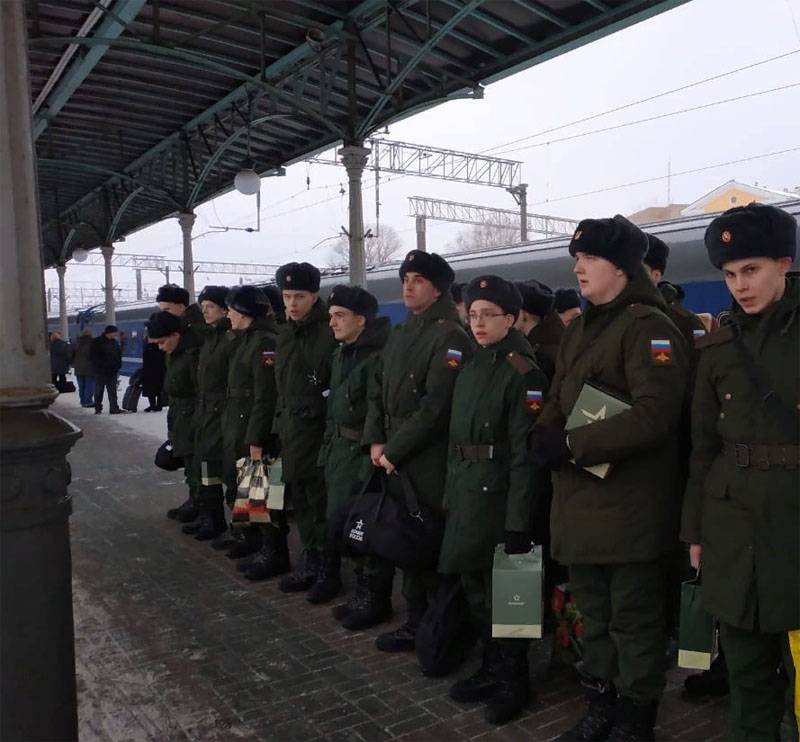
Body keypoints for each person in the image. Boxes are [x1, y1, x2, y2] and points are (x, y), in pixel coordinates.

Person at [530, 215, 689, 741]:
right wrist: (545, 431)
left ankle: (635, 716)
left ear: (621, 267)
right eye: (577, 258)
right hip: (580, 505)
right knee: (593, 619)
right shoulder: (580, 327)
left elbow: (654, 415)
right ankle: (600, 704)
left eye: (589, 258)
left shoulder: (649, 326)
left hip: (630, 510)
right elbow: (558, 397)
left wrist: (572, 444)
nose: (577, 267)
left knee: (634, 622)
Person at [680, 202, 798, 742]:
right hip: (732, 526)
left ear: (784, 262)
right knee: (747, 673)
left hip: (793, 521)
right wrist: (695, 531)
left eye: (750, 270)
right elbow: (702, 446)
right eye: (729, 275)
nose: (739, 286)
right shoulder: (719, 346)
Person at [440, 275, 547, 725]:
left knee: (511, 596)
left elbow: (526, 453)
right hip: (468, 494)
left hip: (500, 496)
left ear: (511, 318)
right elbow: (456, 440)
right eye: (473, 314)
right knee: (478, 589)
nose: (478, 322)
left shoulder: (524, 372)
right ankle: (491, 666)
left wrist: (520, 520)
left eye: (488, 315)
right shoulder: (472, 364)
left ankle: (513, 679)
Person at [363, 249, 472, 652]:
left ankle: (439, 628)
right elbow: (378, 386)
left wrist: (393, 448)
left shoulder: (450, 336)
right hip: (395, 454)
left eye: (418, 280)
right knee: (406, 541)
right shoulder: (403, 331)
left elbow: (436, 408)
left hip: (426, 460)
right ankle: (416, 621)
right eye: (405, 278)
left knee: (427, 542)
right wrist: (376, 438)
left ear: (438, 288)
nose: (408, 285)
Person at [322, 285, 393, 623]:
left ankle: (374, 598)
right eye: (331, 316)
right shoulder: (341, 354)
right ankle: (362, 592)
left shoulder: (378, 357)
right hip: (339, 451)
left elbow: (379, 409)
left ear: (361, 320)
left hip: (362, 456)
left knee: (365, 526)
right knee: (344, 522)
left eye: (339, 316)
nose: (332, 323)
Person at [272, 262, 336, 594]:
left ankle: (327, 567)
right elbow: (280, 387)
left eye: (299, 296)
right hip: (291, 430)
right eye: (287, 296)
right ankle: (310, 558)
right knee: (302, 499)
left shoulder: (327, 333)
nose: (293, 304)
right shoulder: (285, 334)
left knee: (319, 501)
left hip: (317, 431)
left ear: (314, 296)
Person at [218, 286, 284, 575]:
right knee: (250, 492)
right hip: (240, 425)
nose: (228, 314)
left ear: (243, 313)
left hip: (255, 430)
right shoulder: (245, 340)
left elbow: (266, 394)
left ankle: (274, 553)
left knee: (265, 494)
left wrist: (257, 438)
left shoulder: (263, 343)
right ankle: (257, 544)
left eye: (231, 309)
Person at [182, 286, 233, 542]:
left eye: (210, 306)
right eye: (203, 307)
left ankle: (246, 531)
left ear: (225, 309)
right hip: (206, 414)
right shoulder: (210, 339)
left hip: (222, 414)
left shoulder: (229, 339)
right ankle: (211, 517)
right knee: (206, 469)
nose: (205, 311)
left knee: (238, 478)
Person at [147, 311, 202, 524]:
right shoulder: (175, 353)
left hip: (194, 419)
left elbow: (200, 392)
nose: (160, 347)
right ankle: (197, 505)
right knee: (190, 467)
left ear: (175, 335)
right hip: (181, 418)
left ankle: (208, 513)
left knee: (202, 470)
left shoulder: (192, 353)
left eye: (161, 342)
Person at [643, 234, 707, 348]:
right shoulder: (611, 315)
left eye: (638, 270)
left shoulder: (686, 322)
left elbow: (705, 362)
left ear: (656, 275)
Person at [514, 280, 563, 381]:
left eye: (512, 310)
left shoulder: (543, 353)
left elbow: (530, 379)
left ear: (523, 315)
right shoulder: (552, 338)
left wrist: (508, 354)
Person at [90, 325, 123, 414]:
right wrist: (100, 366)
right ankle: (98, 408)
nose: (116, 334)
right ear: (110, 332)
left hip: (112, 371)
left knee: (112, 391)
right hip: (101, 371)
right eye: (115, 332)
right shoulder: (97, 342)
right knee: (99, 391)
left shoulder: (114, 342)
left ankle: (114, 408)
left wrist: (118, 365)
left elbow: (118, 355)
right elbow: (93, 356)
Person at [141, 336, 166, 411]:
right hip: (160, 372)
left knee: (151, 390)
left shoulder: (148, 349)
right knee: (159, 390)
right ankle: (159, 405)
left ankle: (153, 405)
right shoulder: (161, 348)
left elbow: (145, 362)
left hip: (150, 373)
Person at [72, 328, 95, 407]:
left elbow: (71, 354)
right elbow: (92, 355)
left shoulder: (76, 343)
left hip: (78, 368)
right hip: (89, 367)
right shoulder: (92, 343)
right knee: (89, 385)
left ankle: (82, 401)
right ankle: (88, 401)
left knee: (81, 385)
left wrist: (74, 363)